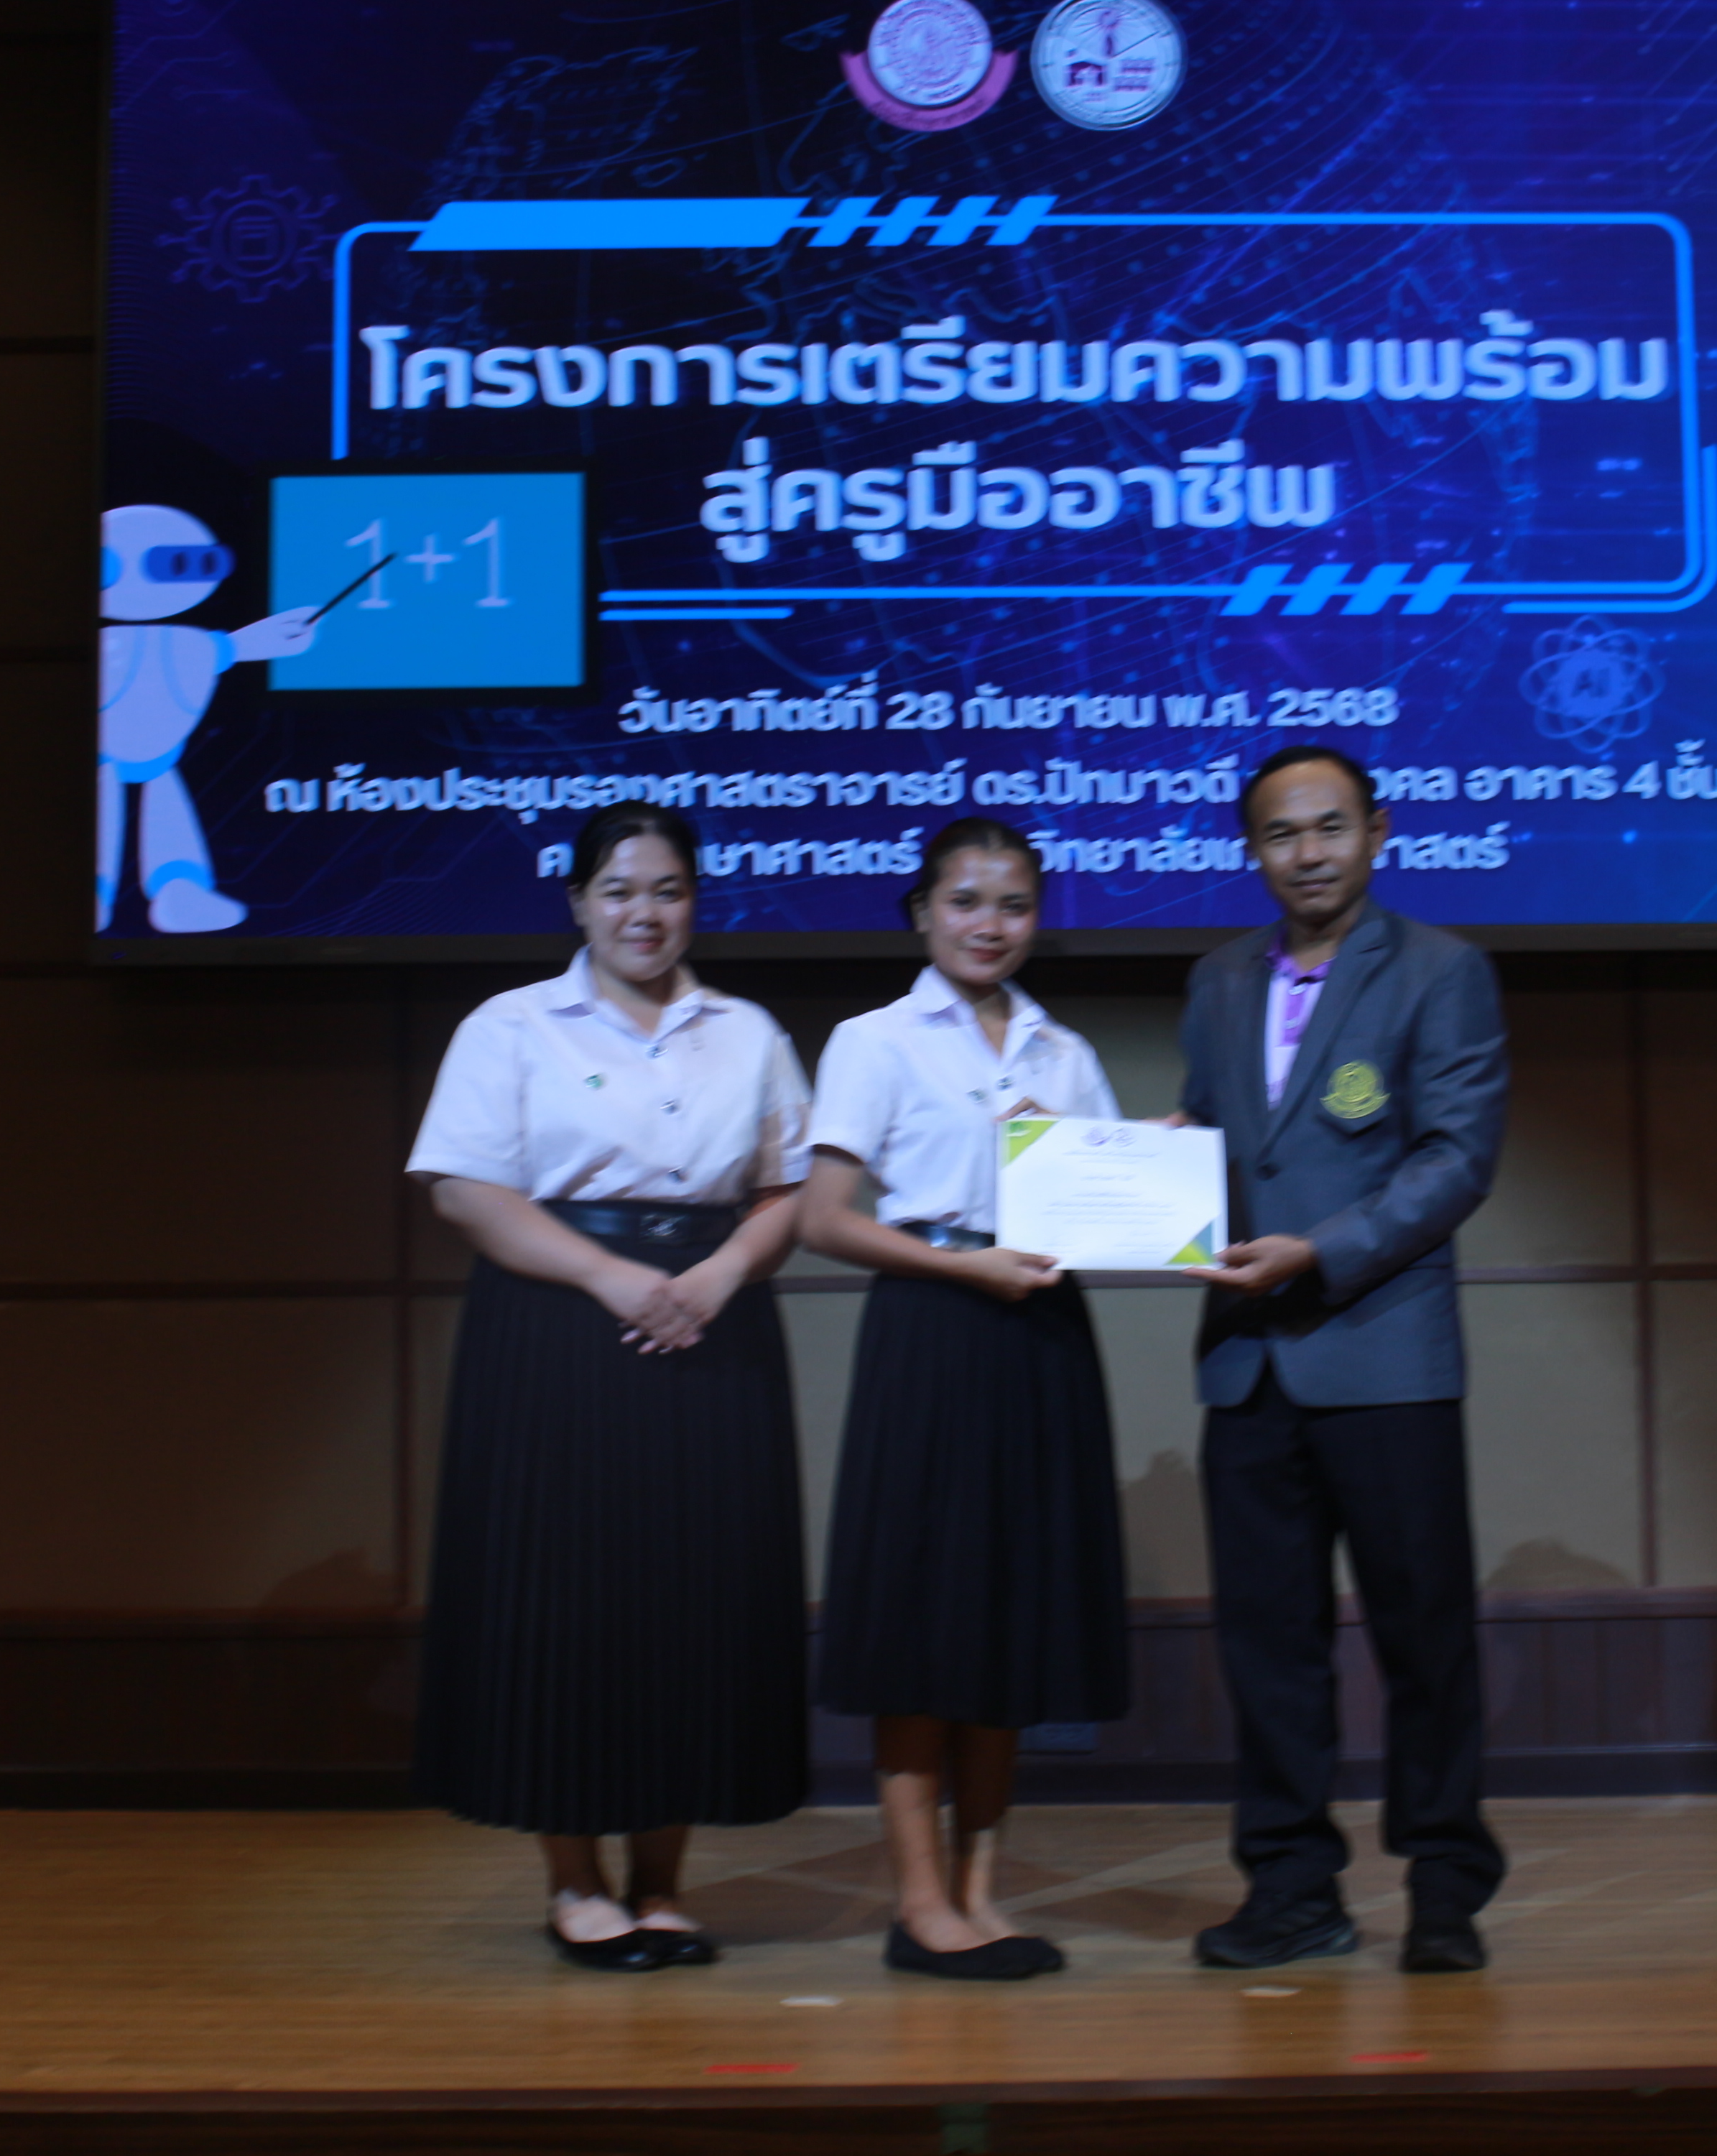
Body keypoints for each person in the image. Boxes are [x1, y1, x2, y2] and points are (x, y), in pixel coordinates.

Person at [405, 801, 813, 1971]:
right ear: (578, 902)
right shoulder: (511, 1025)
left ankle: (663, 1882)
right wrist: (609, 1277)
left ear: (695, 902)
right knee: (566, 1600)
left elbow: (786, 1186)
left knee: (695, 1599)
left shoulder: (748, 1030)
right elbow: (466, 1191)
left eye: (669, 890)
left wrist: (722, 1271)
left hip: (714, 1322)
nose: (646, 913)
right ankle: (577, 1884)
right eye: (621, 890)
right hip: (558, 1327)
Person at [1173, 744, 1510, 1975]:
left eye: (1328, 828)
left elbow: (1456, 1158)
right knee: (1268, 1647)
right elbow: (1220, 1144)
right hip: (1248, 1367)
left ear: (1378, 830)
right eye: (1280, 834)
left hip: (1384, 1357)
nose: (1307, 853)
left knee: (1425, 1637)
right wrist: (1149, 1171)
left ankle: (1445, 1884)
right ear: (1251, 850)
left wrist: (1320, 1252)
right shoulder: (1218, 980)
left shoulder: (1441, 970)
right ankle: (1291, 1887)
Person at [801, 818, 1131, 1984]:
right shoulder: (874, 1042)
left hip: (1041, 1334)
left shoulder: (1063, 1051)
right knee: (923, 1624)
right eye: (967, 901)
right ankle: (919, 1903)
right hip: (931, 1330)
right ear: (921, 912)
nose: (991, 925)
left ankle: (983, 1897)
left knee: (1010, 1620)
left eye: (1014, 905)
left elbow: (1102, 1211)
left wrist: (1153, 1171)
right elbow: (824, 1219)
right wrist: (964, 1266)